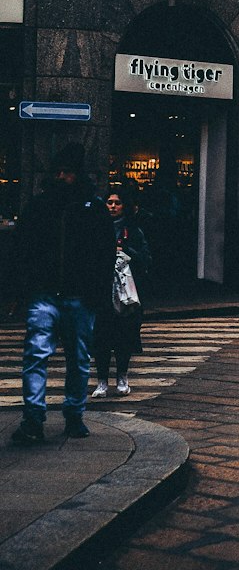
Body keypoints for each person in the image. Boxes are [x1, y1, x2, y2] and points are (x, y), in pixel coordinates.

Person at [10, 141, 116, 444]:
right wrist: (25, 288)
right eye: (57, 171)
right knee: (36, 354)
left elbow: (105, 255)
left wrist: (96, 293)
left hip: (78, 297)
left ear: (77, 175)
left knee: (78, 358)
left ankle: (73, 415)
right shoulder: (41, 206)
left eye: (66, 172)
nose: (61, 177)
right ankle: (34, 418)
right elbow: (22, 250)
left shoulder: (92, 208)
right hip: (46, 295)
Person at [91, 189, 151, 398]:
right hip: (102, 290)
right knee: (101, 337)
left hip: (127, 291)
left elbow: (145, 258)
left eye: (117, 202)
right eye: (109, 202)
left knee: (124, 336)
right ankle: (101, 381)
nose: (113, 206)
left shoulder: (133, 231)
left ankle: (122, 377)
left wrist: (127, 252)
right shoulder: (96, 229)